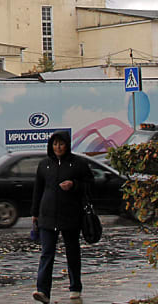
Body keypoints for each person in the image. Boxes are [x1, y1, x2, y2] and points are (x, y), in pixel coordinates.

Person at [31, 130, 93, 304]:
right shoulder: (44, 165)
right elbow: (38, 189)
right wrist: (35, 213)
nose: (58, 147)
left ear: (67, 145)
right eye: (55, 144)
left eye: (61, 144)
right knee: (47, 253)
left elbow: (90, 184)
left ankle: (75, 287)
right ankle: (43, 291)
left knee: (72, 252)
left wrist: (74, 185)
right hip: (47, 215)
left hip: (70, 215)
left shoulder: (78, 164)